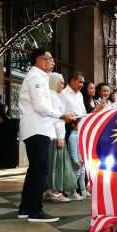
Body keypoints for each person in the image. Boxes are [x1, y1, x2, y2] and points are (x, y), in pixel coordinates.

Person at [17, 47, 74, 223]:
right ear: (39, 60)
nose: (52, 62)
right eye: (49, 59)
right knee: (40, 169)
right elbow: (40, 106)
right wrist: (61, 115)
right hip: (36, 129)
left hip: (38, 128)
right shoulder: (36, 78)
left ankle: (25, 209)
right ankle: (36, 211)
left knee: (35, 169)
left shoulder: (40, 77)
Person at [45, 72, 76, 203]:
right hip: (55, 136)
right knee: (57, 165)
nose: (62, 85)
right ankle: (55, 191)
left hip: (52, 136)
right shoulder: (53, 97)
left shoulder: (52, 96)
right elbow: (57, 119)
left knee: (52, 164)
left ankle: (50, 191)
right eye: (61, 82)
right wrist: (60, 138)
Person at [68, 118, 91, 200]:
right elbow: (72, 151)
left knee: (82, 176)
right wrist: (75, 161)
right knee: (75, 176)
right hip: (77, 161)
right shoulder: (73, 137)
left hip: (82, 160)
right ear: (73, 125)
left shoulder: (79, 135)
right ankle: (73, 193)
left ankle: (83, 192)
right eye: (79, 123)